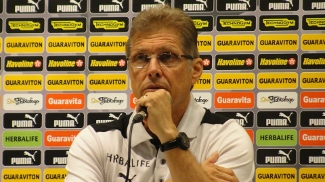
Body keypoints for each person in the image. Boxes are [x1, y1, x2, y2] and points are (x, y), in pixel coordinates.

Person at [65, 4, 254, 182]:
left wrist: (169, 135)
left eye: (167, 57)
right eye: (141, 58)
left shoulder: (227, 138)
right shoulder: (95, 140)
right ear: (130, 70)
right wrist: (195, 175)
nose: (152, 69)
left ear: (195, 70)